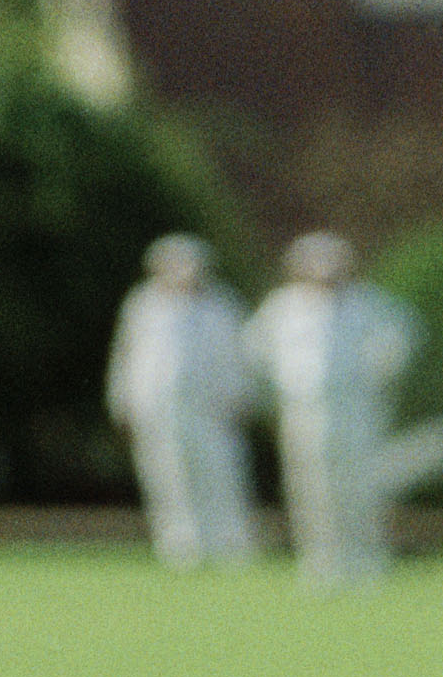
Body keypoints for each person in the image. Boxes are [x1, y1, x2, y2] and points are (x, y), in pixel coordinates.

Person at [245, 231, 415, 587]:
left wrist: (369, 379)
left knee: (357, 483)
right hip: (303, 408)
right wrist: (279, 388)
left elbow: (398, 342)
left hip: (353, 407)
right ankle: (319, 559)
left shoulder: (367, 302)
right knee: (308, 484)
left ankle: (364, 558)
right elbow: (255, 352)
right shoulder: (282, 306)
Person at [104, 233, 257, 570]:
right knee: (166, 476)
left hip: (211, 409)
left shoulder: (222, 305)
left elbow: (238, 357)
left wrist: (240, 399)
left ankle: (230, 545)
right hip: (159, 409)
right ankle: (180, 546)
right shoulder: (143, 304)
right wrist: (123, 402)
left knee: (220, 475)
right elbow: (126, 355)